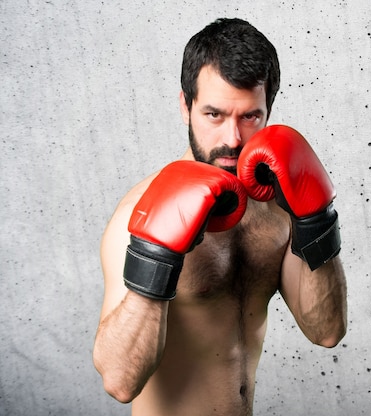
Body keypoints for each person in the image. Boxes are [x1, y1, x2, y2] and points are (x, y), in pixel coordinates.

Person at [93, 18, 347, 416]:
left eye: (249, 117)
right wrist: (156, 256)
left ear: (268, 112)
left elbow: (327, 331)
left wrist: (315, 220)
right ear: (185, 106)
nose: (232, 139)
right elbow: (120, 381)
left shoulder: (278, 207)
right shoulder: (138, 215)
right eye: (214, 115)